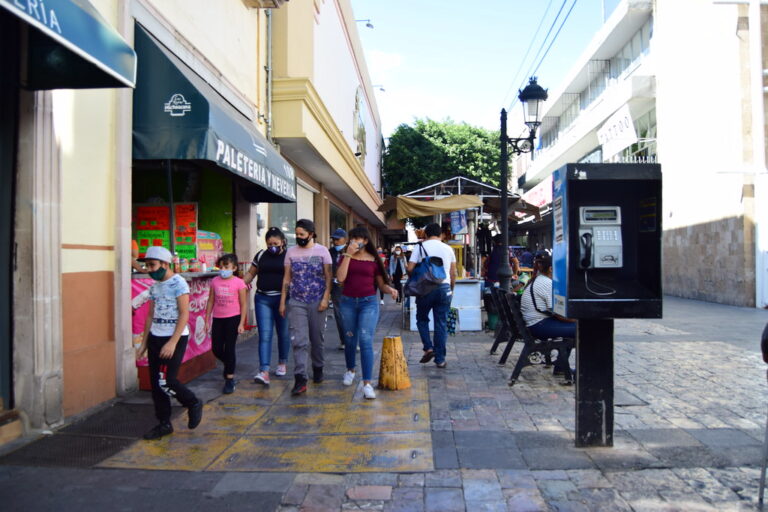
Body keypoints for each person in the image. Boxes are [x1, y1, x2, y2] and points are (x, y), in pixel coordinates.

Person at [136, 246, 203, 440]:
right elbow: (150, 316)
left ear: (165, 264)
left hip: (175, 337)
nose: (149, 269)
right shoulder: (155, 286)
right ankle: (164, 423)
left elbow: (184, 314)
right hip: (156, 336)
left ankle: (192, 403)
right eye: (147, 265)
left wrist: (172, 342)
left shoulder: (179, 283)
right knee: (157, 384)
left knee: (169, 380)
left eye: (152, 265)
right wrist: (144, 345)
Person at [336, 227, 398, 399]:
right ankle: (350, 369)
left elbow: (380, 284)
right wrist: (348, 254)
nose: (358, 241)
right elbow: (340, 278)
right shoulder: (344, 257)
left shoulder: (373, 260)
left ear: (367, 240)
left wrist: (390, 289)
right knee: (349, 339)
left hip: (368, 303)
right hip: (348, 302)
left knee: (365, 340)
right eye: (354, 238)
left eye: (361, 238)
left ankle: (367, 383)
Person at [280, 219, 332, 395]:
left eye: (302, 234)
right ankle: (300, 378)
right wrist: (283, 301)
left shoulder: (323, 251)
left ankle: (318, 367)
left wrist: (326, 299)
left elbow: (328, 277)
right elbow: (287, 278)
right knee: (299, 340)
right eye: (297, 235)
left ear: (311, 234)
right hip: (296, 301)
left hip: (317, 301)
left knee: (316, 339)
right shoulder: (291, 253)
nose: (299, 237)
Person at [243, 227, 290, 386]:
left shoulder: (288, 255)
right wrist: (239, 285)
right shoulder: (261, 255)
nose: (272, 246)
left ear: (282, 242)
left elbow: (290, 279)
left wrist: (285, 300)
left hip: (283, 300)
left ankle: (282, 362)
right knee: (265, 335)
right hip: (262, 299)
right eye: (269, 244)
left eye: (275, 243)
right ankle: (264, 371)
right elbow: (251, 273)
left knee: (283, 333)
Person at [407, 223, 457, 368]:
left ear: (426, 234)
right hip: (444, 288)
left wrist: (418, 273)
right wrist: (451, 289)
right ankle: (440, 360)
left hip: (425, 289)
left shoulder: (420, 247)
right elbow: (453, 273)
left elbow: (410, 268)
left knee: (422, 319)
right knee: (441, 324)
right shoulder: (448, 249)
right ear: (441, 235)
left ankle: (428, 348)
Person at [519, 254, 575, 373]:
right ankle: (562, 367)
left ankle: (561, 366)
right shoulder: (546, 283)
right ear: (551, 269)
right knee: (579, 329)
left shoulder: (540, 280)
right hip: (538, 326)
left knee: (575, 328)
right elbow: (559, 314)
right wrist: (578, 320)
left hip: (535, 324)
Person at [204, 253, 247, 394]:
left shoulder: (239, 283)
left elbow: (243, 304)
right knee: (216, 348)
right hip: (218, 319)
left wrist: (241, 323)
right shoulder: (215, 281)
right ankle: (229, 364)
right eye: (221, 266)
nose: (223, 269)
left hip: (233, 319)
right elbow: (210, 300)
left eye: (226, 266)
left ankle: (229, 379)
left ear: (234, 268)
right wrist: (206, 319)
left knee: (229, 349)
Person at [329, 228, 348, 350]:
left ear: (345, 239)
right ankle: (344, 340)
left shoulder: (351, 251)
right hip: (335, 287)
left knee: (350, 314)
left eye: (338, 239)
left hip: (349, 287)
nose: (335, 242)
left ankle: (352, 339)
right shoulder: (330, 251)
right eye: (334, 239)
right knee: (339, 314)